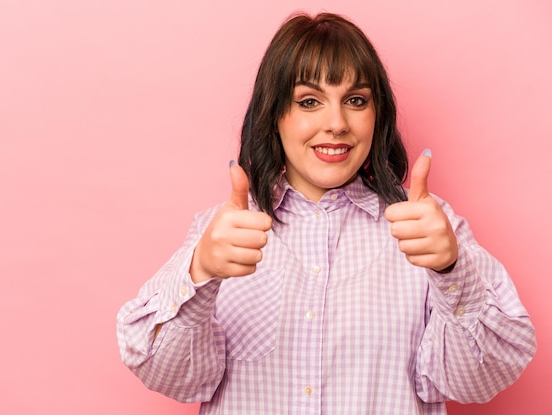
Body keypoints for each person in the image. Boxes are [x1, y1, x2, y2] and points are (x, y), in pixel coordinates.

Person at [117, 12, 536, 415]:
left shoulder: (427, 225)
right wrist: (201, 272)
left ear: (378, 115)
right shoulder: (224, 232)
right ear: (274, 113)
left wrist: (451, 271)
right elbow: (168, 377)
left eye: (355, 100)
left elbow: (481, 381)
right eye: (309, 101)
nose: (337, 123)